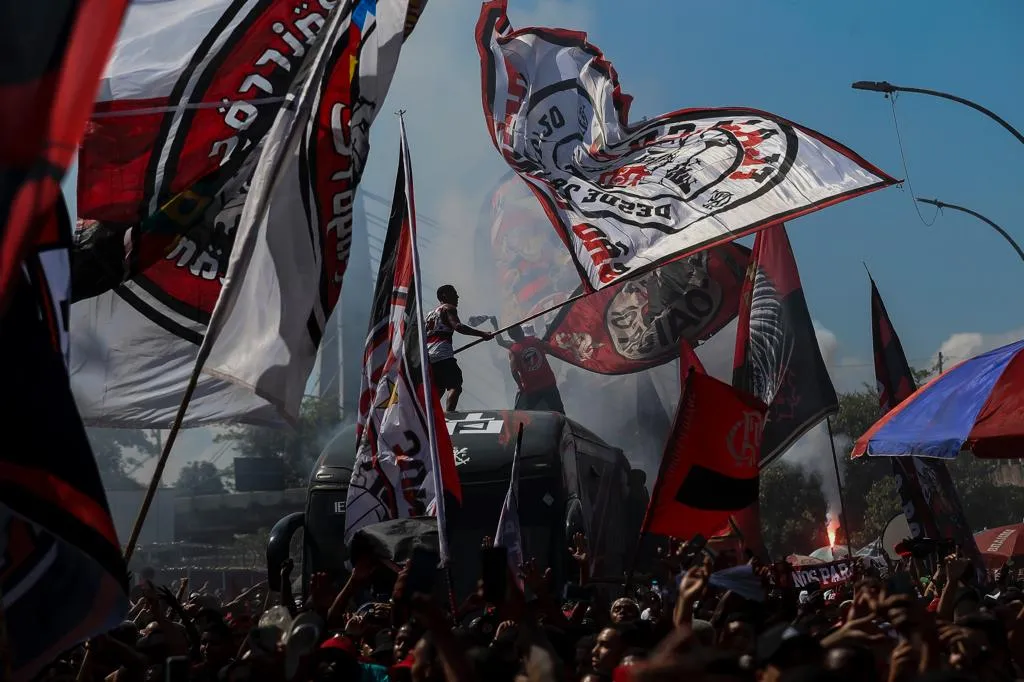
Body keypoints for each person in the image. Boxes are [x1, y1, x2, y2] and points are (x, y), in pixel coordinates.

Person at [424, 284, 492, 412]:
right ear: (444, 295)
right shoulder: (448, 308)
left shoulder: (429, 315)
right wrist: (482, 334)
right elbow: (458, 326)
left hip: (429, 358)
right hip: (442, 355)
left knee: (439, 387)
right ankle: (450, 415)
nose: (457, 296)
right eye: (454, 293)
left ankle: (429, 416)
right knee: (455, 385)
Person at [495, 324, 565, 413]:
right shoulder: (535, 341)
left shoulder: (513, 350)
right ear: (522, 331)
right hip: (547, 383)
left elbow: (514, 372)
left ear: (511, 336)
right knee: (559, 411)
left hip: (531, 388)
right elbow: (550, 349)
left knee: (524, 415)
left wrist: (521, 387)